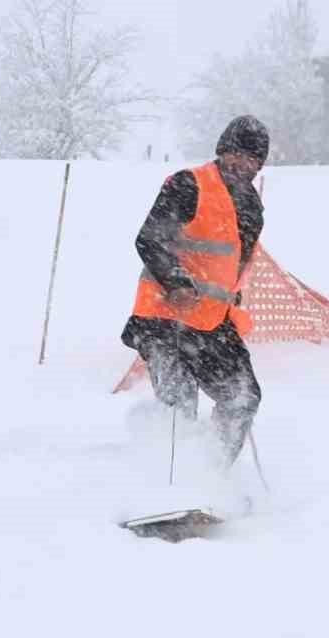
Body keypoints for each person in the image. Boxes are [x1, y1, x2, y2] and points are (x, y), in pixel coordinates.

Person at [120, 115, 267, 468]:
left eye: (253, 159)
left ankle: (208, 478)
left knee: (243, 397)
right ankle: (165, 487)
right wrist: (176, 281)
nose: (243, 164)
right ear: (221, 151)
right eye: (237, 154)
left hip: (212, 322)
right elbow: (150, 238)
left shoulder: (252, 206)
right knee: (178, 402)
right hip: (162, 317)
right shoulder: (189, 184)